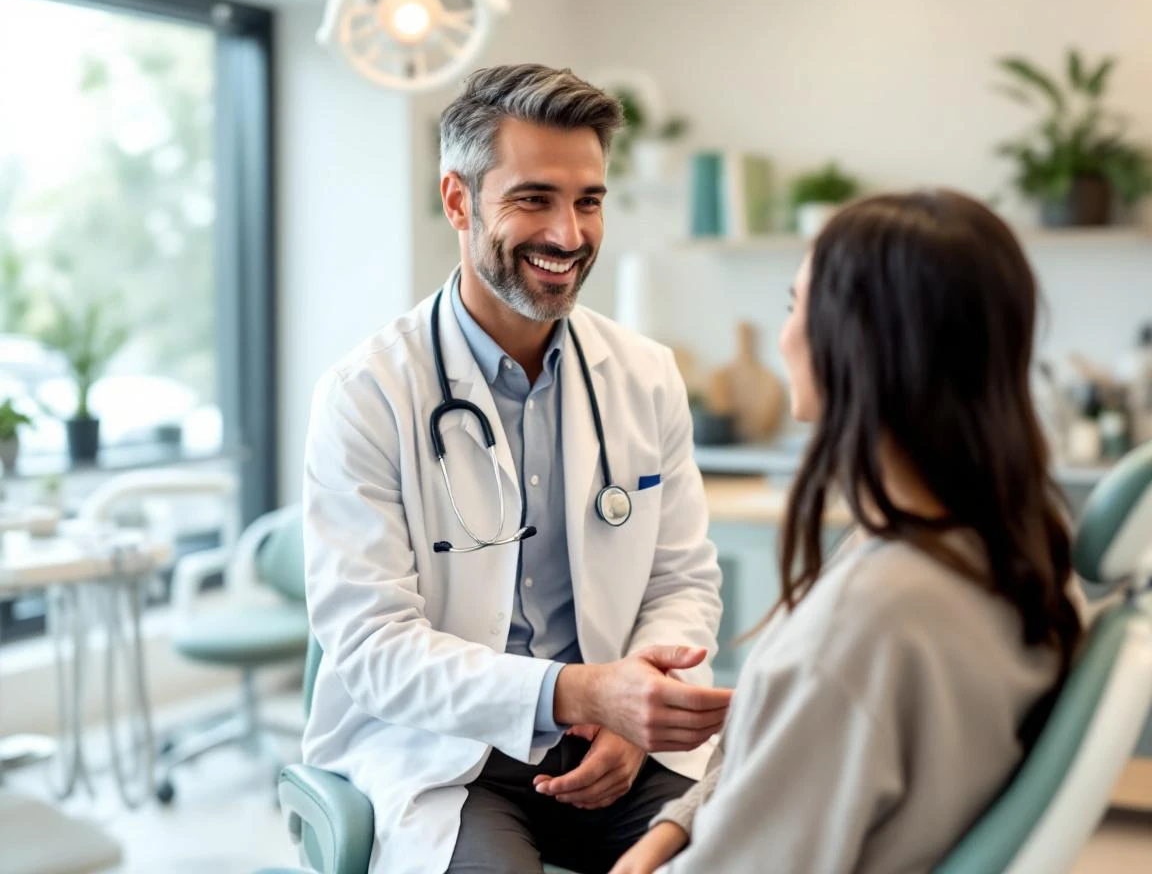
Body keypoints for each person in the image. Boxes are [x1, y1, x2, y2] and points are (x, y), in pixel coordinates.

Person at [301, 63, 730, 874]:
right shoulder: (366, 395)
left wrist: (631, 705)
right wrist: (581, 694)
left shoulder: (645, 375)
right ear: (459, 200)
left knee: (751, 845)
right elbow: (370, 645)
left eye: (589, 201)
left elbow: (682, 583)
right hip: (447, 753)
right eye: (533, 199)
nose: (568, 235)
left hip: (616, 746)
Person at [610, 190, 1084, 873]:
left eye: (793, 306)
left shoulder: (867, 624)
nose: (783, 335)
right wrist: (667, 832)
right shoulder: (1007, 541)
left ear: (855, 342)